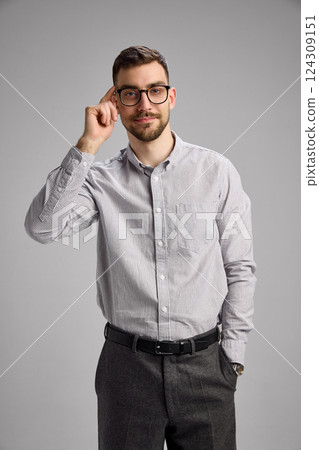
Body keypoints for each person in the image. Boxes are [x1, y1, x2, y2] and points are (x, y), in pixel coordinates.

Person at [24, 45, 257, 450]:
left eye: (155, 90)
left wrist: (232, 357)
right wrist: (88, 144)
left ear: (172, 96)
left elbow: (239, 267)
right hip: (126, 369)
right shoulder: (99, 180)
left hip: (206, 367)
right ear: (116, 101)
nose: (144, 103)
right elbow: (43, 228)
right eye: (130, 92)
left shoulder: (216, 172)